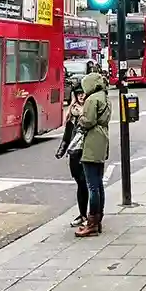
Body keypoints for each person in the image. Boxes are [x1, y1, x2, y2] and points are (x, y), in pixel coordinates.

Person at [74, 70, 111, 238]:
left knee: (92, 185)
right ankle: (98, 218)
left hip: (92, 142)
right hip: (103, 139)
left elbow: (88, 121)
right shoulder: (105, 97)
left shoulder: (92, 99)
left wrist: (79, 117)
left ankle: (92, 223)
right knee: (99, 183)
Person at [55, 83, 89, 228]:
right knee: (80, 184)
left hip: (86, 152)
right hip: (74, 154)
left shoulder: (88, 110)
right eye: (78, 93)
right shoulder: (72, 112)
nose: (81, 96)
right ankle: (82, 215)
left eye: (83, 93)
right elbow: (67, 134)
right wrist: (62, 150)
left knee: (87, 184)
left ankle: (88, 216)